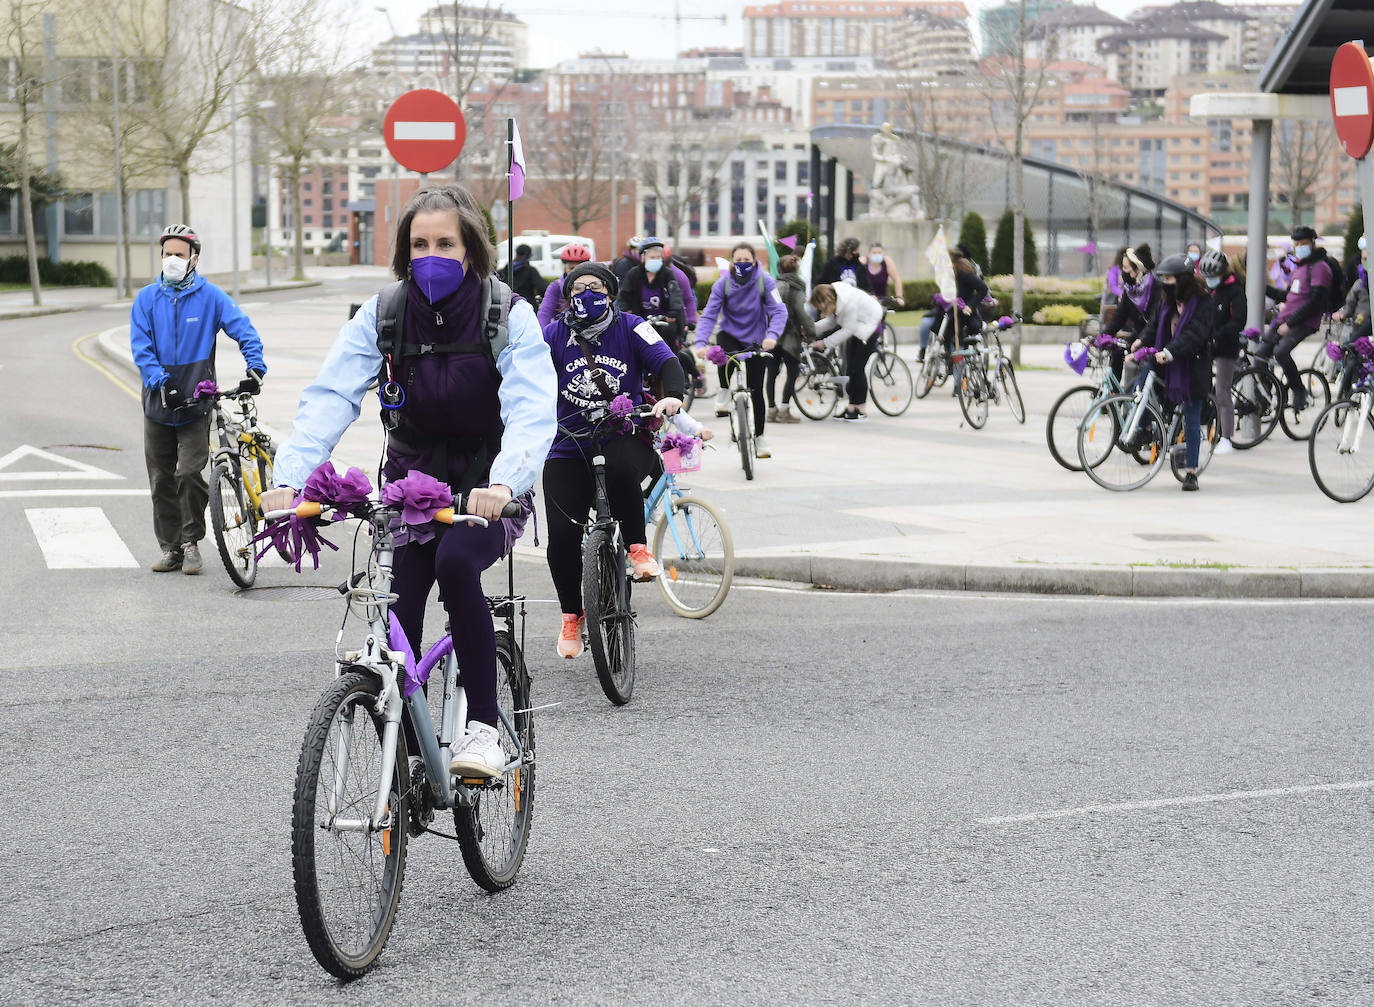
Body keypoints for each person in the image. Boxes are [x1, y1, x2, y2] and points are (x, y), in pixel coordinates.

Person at [260, 184, 558, 778]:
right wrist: (290, 480)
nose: (431, 255)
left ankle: (483, 729)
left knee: (455, 565)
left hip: (488, 489)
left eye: (445, 243)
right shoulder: (385, 313)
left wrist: (504, 484)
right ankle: (410, 754)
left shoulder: (507, 314)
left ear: (470, 248)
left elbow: (531, 406)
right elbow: (331, 396)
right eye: (419, 244)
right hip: (410, 488)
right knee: (401, 607)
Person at [540, 262, 684, 659]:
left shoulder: (632, 326)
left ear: (611, 293)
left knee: (621, 466)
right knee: (563, 538)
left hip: (622, 434)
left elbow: (667, 362)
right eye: (579, 287)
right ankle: (572, 616)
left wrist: (672, 395)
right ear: (568, 297)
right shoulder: (553, 335)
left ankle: (638, 547)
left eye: (596, 286)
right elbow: (528, 376)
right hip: (568, 444)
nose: (587, 293)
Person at [130, 223, 267, 576]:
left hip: (196, 404)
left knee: (190, 474)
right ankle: (171, 547)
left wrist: (255, 367)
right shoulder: (146, 299)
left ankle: (192, 543)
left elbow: (243, 329)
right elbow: (141, 348)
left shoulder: (211, 297)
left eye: (178, 254)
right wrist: (161, 381)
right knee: (161, 479)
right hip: (158, 404)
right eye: (166, 254)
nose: (171, 260)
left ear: (194, 257)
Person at [695, 243, 786, 457]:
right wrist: (700, 343)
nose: (742, 264)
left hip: (757, 339)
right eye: (738, 260)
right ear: (731, 261)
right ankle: (725, 391)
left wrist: (772, 336)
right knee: (722, 352)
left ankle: (760, 438)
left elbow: (779, 311)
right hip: (731, 335)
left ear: (754, 261)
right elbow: (709, 314)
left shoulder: (765, 281)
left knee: (756, 390)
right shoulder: (722, 284)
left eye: (747, 260)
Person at [1149, 254, 1213, 492]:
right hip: (1166, 364)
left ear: (1183, 279)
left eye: (1170, 278)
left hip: (1192, 368)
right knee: (1139, 384)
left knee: (1192, 418)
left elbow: (1195, 335)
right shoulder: (1166, 301)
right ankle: (1143, 435)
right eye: (1163, 278)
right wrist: (1139, 344)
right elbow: (1154, 327)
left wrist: (1171, 351)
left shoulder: (1203, 302)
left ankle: (1191, 472)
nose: (1166, 282)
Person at [1259, 225, 1336, 411]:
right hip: (1283, 319)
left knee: (1281, 352)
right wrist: (1260, 286)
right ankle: (1269, 396)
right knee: (1260, 356)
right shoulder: (1299, 267)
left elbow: (1315, 302)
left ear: (1312, 243)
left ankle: (1299, 390)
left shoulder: (1320, 268)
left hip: (1304, 321)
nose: (1299, 247)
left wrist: (1290, 323)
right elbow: (1288, 296)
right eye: (1297, 244)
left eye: (1303, 243)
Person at [616, 236, 702, 392]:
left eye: (658, 257)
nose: (655, 260)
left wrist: (673, 313)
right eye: (651, 257)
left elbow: (676, 295)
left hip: (665, 321)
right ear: (643, 258)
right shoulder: (634, 274)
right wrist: (625, 309)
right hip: (641, 320)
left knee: (669, 349)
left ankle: (676, 382)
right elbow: (624, 297)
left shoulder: (668, 274)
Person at [810, 281, 886, 422]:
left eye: (820, 307)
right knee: (850, 369)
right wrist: (810, 329)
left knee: (857, 368)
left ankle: (861, 410)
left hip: (869, 329)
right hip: (856, 328)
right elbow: (832, 322)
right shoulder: (839, 299)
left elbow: (847, 329)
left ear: (826, 301)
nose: (820, 311)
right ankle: (852, 407)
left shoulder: (849, 302)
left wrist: (825, 343)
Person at [1199, 249, 1244, 455]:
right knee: (1203, 386)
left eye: (1213, 277)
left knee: (1222, 392)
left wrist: (1219, 334)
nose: (1210, 281)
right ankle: (1205, 426)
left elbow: (1238, 321)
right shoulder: (1209, 290)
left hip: (1226, 347)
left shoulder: (1235, 290)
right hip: (1207, 344)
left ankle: (1226, 437)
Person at [767, 253, 815, 423]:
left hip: (772, 335)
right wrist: (811, 333)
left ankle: (771, 410)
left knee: (771, 372)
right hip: (790, 335)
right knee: (792, 372)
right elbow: (801, 312)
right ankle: (784, 410)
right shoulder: (797, 286)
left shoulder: (772, 285)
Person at [1103, 244, 1159, 384]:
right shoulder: (1130, 291)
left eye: (1126, 268)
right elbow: (1119, 317)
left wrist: (1142, 341)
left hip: (1155, 338)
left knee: (1142, 381)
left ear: (1137, 270)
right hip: (1138, 336)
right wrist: (1102, 337)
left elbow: (1155, 321)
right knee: (1117, 350)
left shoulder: (1157, 289)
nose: (1123, 272)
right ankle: (1115, 397)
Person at [1332, 235, 1370, 400]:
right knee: (1352, 356)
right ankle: (1346, 395)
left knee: (1351, 348)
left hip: (1365, 326)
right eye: (1363, 258)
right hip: (1360, 324)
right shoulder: (1359, 283)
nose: (1365, 260)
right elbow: (1350, 304)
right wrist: (1341, 314)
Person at [536, 242, 593, 328]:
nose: (575, 272)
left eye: (579, 268)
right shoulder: (556, 286)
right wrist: (543, 334)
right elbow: (545, 313)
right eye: (571, 268)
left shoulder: (595, 286)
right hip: (563, 331)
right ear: (564, 267)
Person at [508, 242, 548, 306]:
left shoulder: (505, 270)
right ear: (529, 256)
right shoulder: (531, 271)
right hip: (527, 306)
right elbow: (542, 288)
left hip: (508, 307)